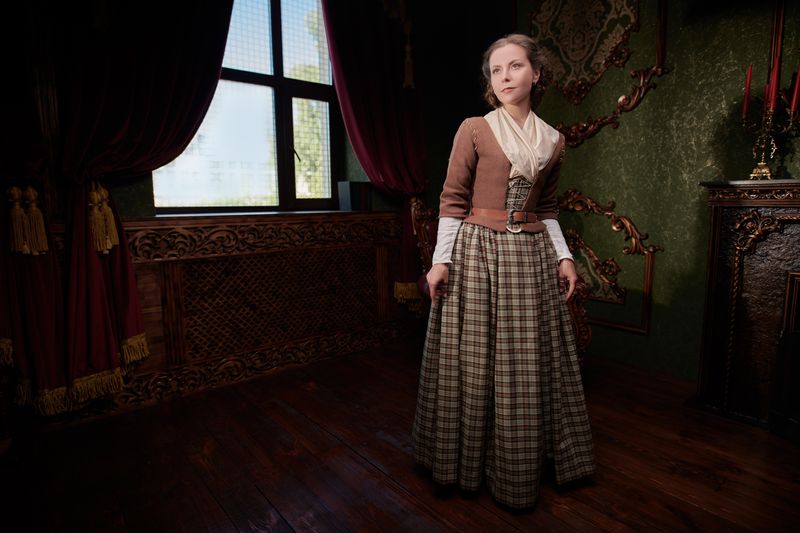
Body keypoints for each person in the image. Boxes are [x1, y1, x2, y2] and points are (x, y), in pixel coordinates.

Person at [411, 33, 595, 509]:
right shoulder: (474, 128)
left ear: (536, 73)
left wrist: (565, 257)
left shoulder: (553, 139)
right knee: (474, 360)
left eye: (514, 67)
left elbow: (549, 207)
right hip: (477, 252)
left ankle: (523, 461)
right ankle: (465, 461)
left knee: (525, 361)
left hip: (530, 255)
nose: (505, 77)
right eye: (496, 70)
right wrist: (439, 262)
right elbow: (452, 201)